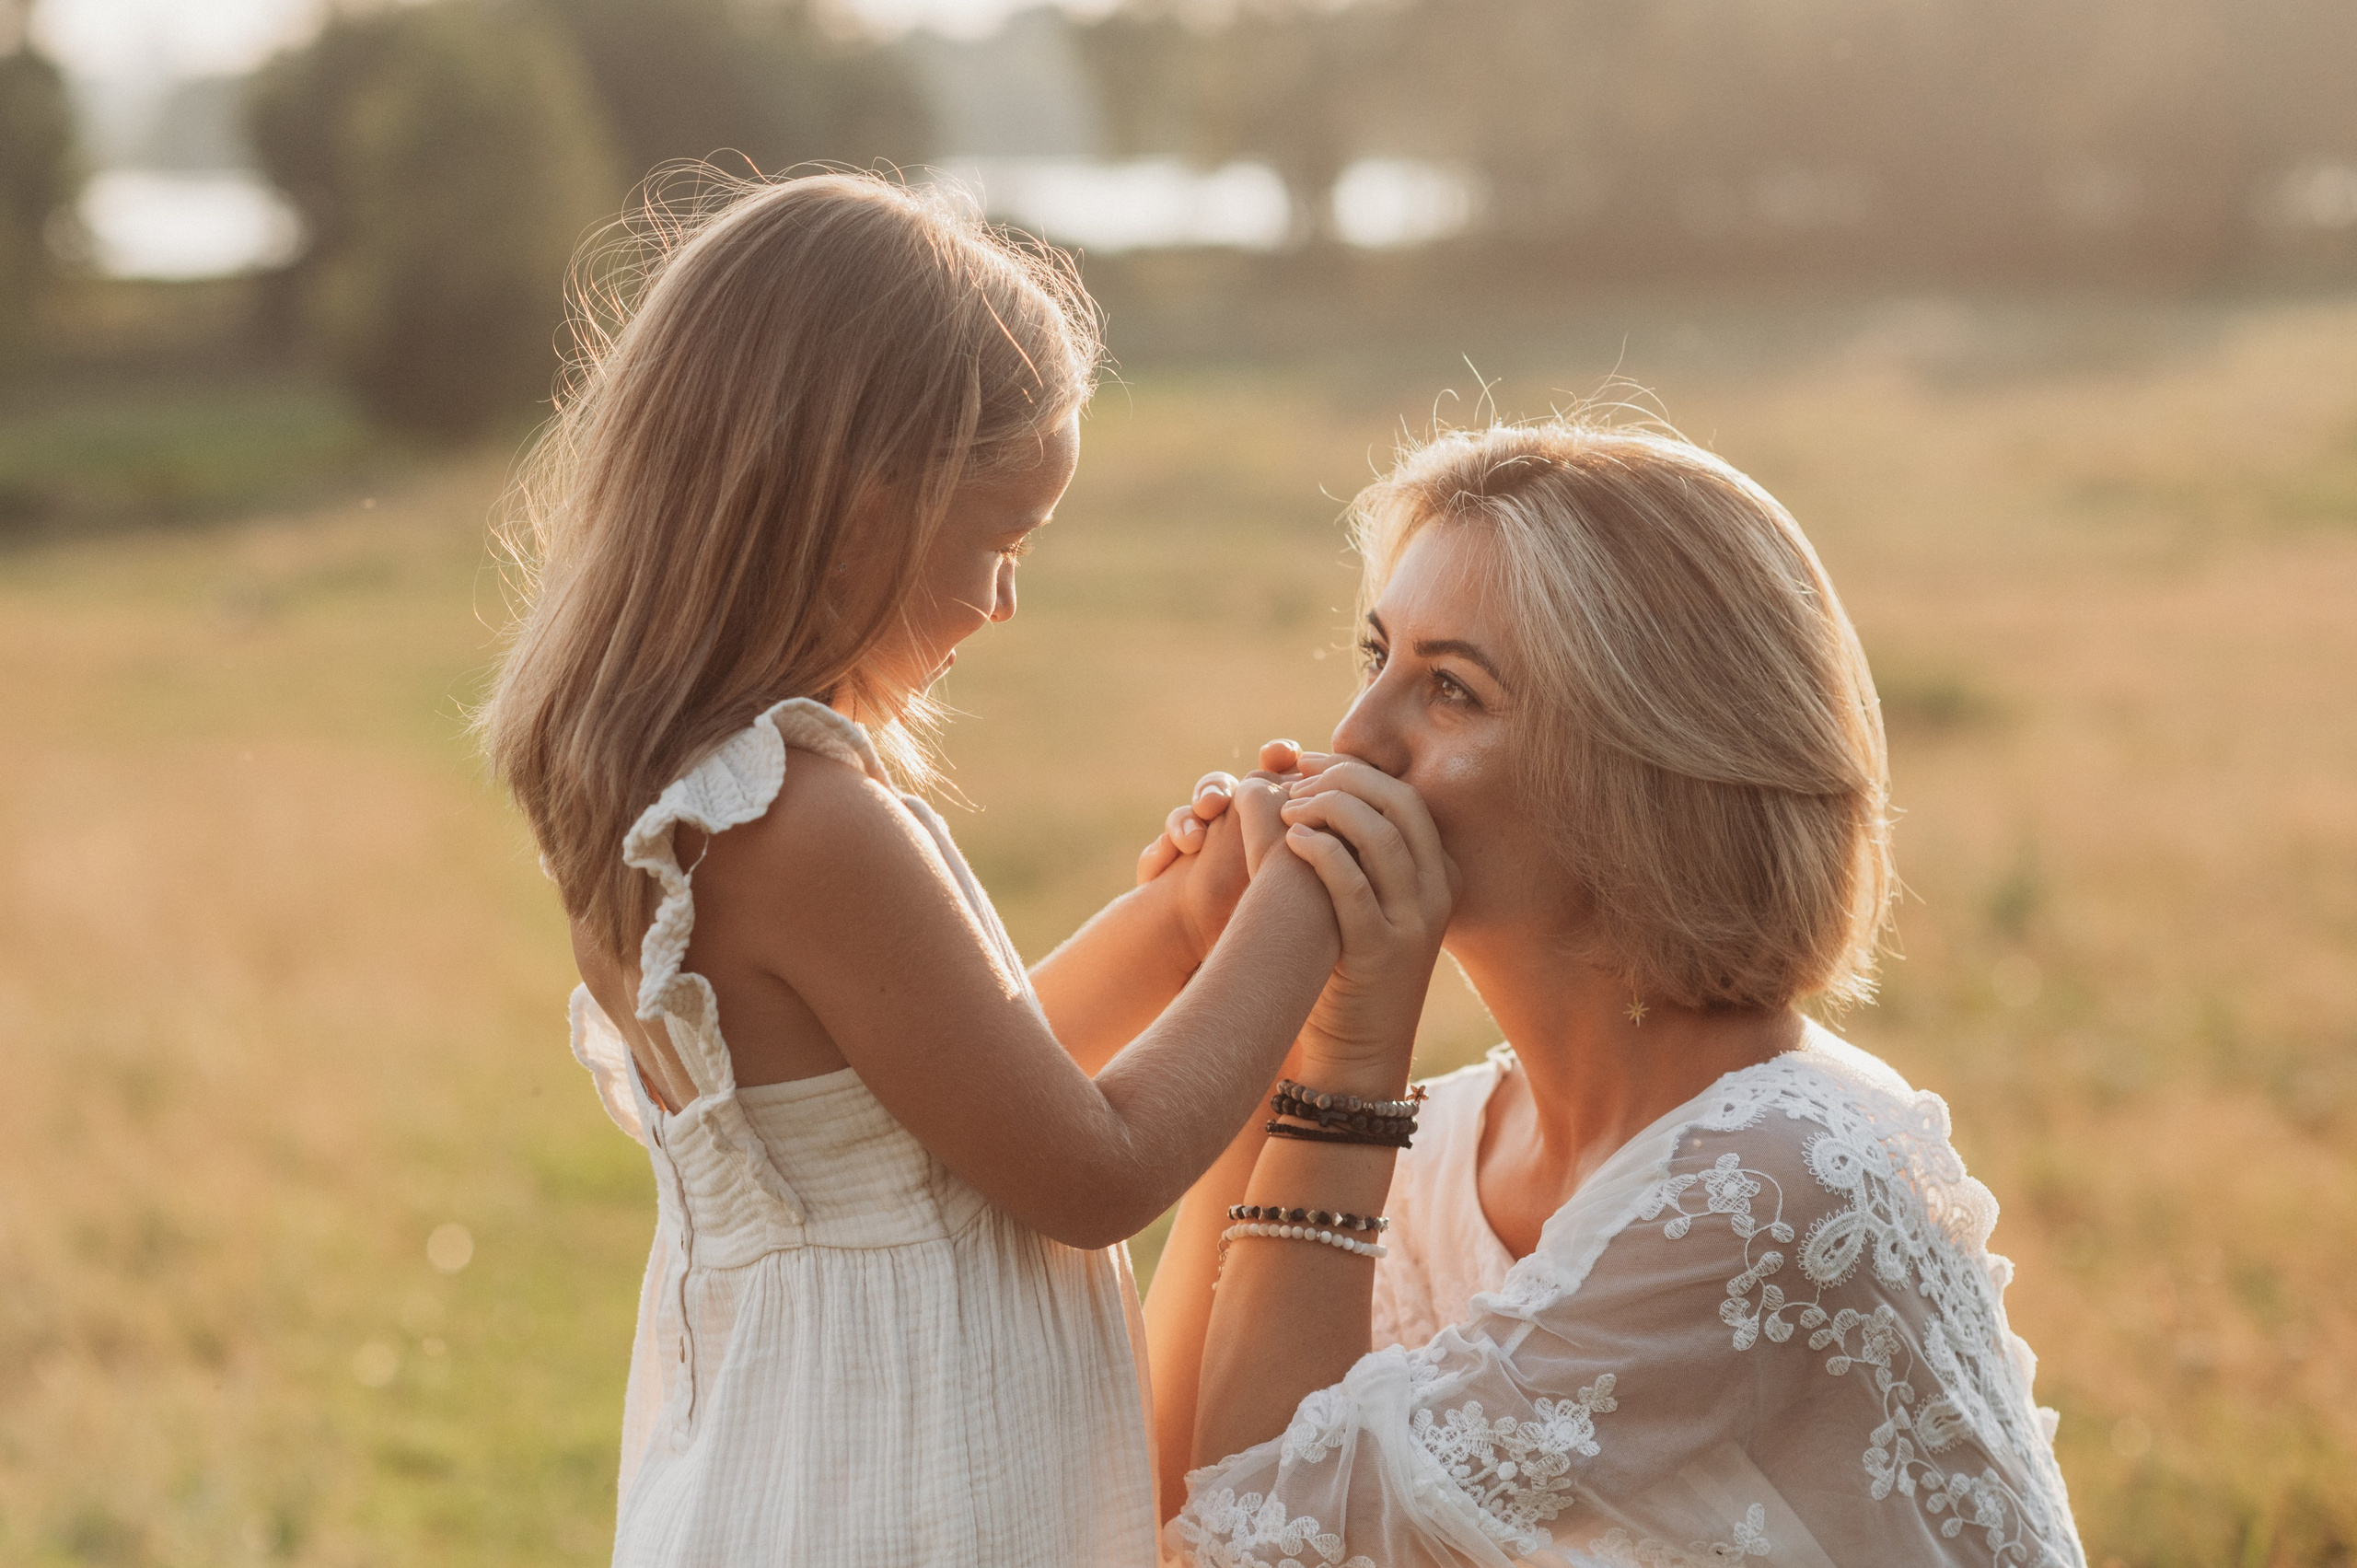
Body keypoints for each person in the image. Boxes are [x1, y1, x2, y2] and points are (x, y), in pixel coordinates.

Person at [477, 171, 1447, 1567]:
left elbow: (948, 1098)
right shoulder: (802, 820)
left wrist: (1177, 923)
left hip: (797, 1452)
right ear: (852, 505)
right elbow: (1091, 1168)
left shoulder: (683, 801)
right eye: (998, 539)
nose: (1005, 600)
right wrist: (1306, 899)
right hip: (910, 1486)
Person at [1144, 420, 2088, 1566]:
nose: (1353, 737)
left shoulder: (1772, 1181)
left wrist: (1343, 1077)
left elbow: (1259, 1547)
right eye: (1374, 655)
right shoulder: (1439, 1146)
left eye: (1449, 689)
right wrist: (1259, 1028)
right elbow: (1165, 1502)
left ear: (1641, 766)